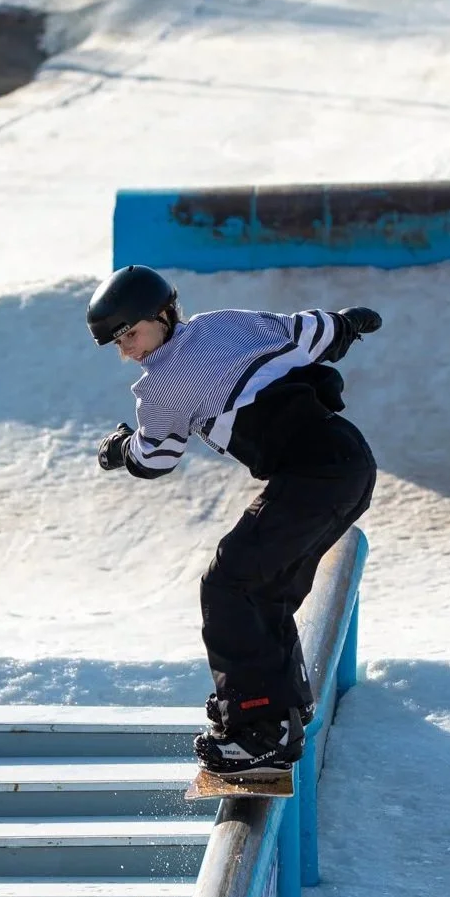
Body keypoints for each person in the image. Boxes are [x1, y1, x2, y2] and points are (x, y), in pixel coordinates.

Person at [87, 264, 382, 779]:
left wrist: (119, 451)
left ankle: (261, 729)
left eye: (130, 334)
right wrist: (348, 324)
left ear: (163, 314)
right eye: (117, 343)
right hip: (348, 461)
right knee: (265, 587)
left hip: (313, 479)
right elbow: (311, 331)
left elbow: (156, 458)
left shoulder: (160, 388)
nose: (128, 350)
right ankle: (281, 704)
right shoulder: (225, 324)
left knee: (228, 584)